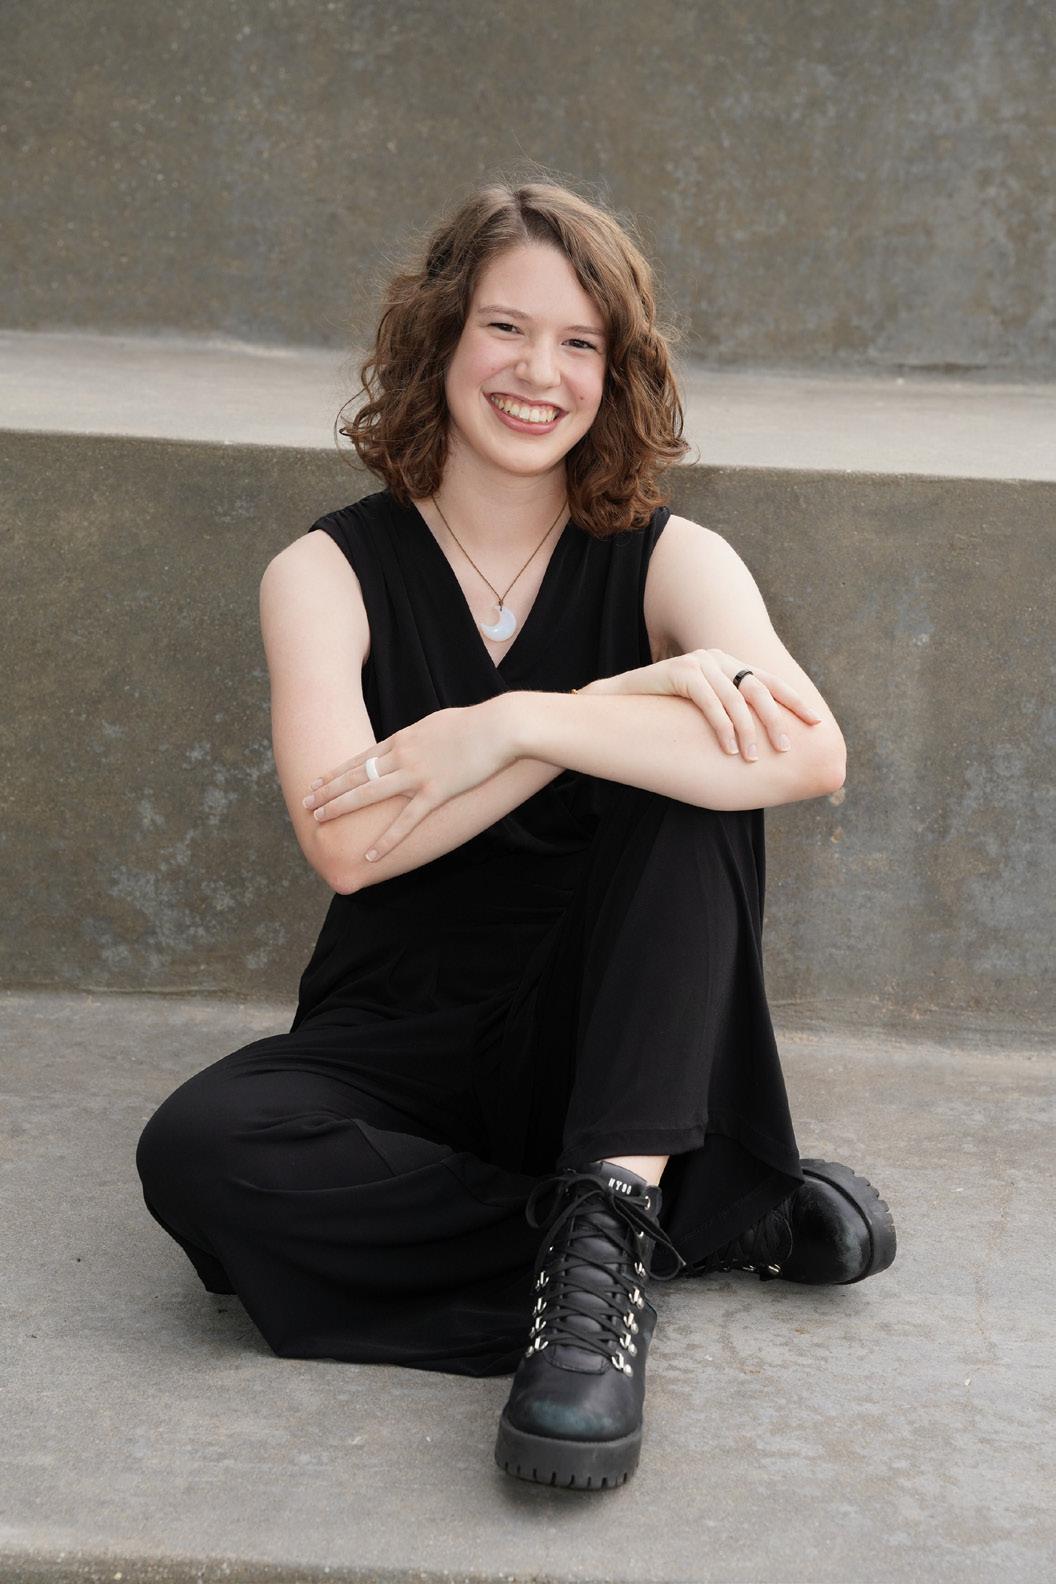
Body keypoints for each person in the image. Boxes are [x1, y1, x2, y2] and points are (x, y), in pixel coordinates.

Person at [135, 177, 896, 1492]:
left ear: (617, 370)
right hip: (402, 1034)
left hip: (610, 1033)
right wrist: (604, 708)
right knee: (197, 1154)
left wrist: (517, 725)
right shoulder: (324, 573)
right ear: (439, 338)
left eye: (579, 342)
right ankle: (664, 1227)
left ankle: (596, 1278)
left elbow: (810, 753)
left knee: (700, 776)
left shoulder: (674, 559)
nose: (539, 373)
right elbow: (351, 844)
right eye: (505, 328)